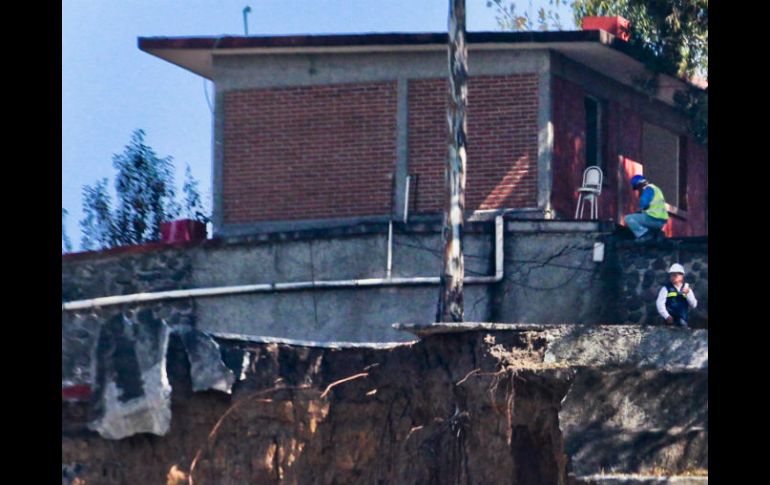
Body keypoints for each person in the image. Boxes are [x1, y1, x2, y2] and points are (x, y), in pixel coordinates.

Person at [624, 175, 669, 242]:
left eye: (637, 188)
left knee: (628, 218)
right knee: (642, 219)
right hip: (661, 222)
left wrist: (640, 208)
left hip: (653, 219)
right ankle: (655, 234)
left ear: (639, 185)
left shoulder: (647, 189)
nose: (638, 190)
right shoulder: (656, 189)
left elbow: (644, 203)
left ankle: (644, 235)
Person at [656, 263, 697, 328]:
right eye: (671, 275)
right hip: (669, 321)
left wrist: (688, 294)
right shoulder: (665, 288)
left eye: (675, 275)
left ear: (682, 276)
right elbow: (659, 304)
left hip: (683, 321)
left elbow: (694, 305)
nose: (673, 277)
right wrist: (667, 316)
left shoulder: (687, 289)